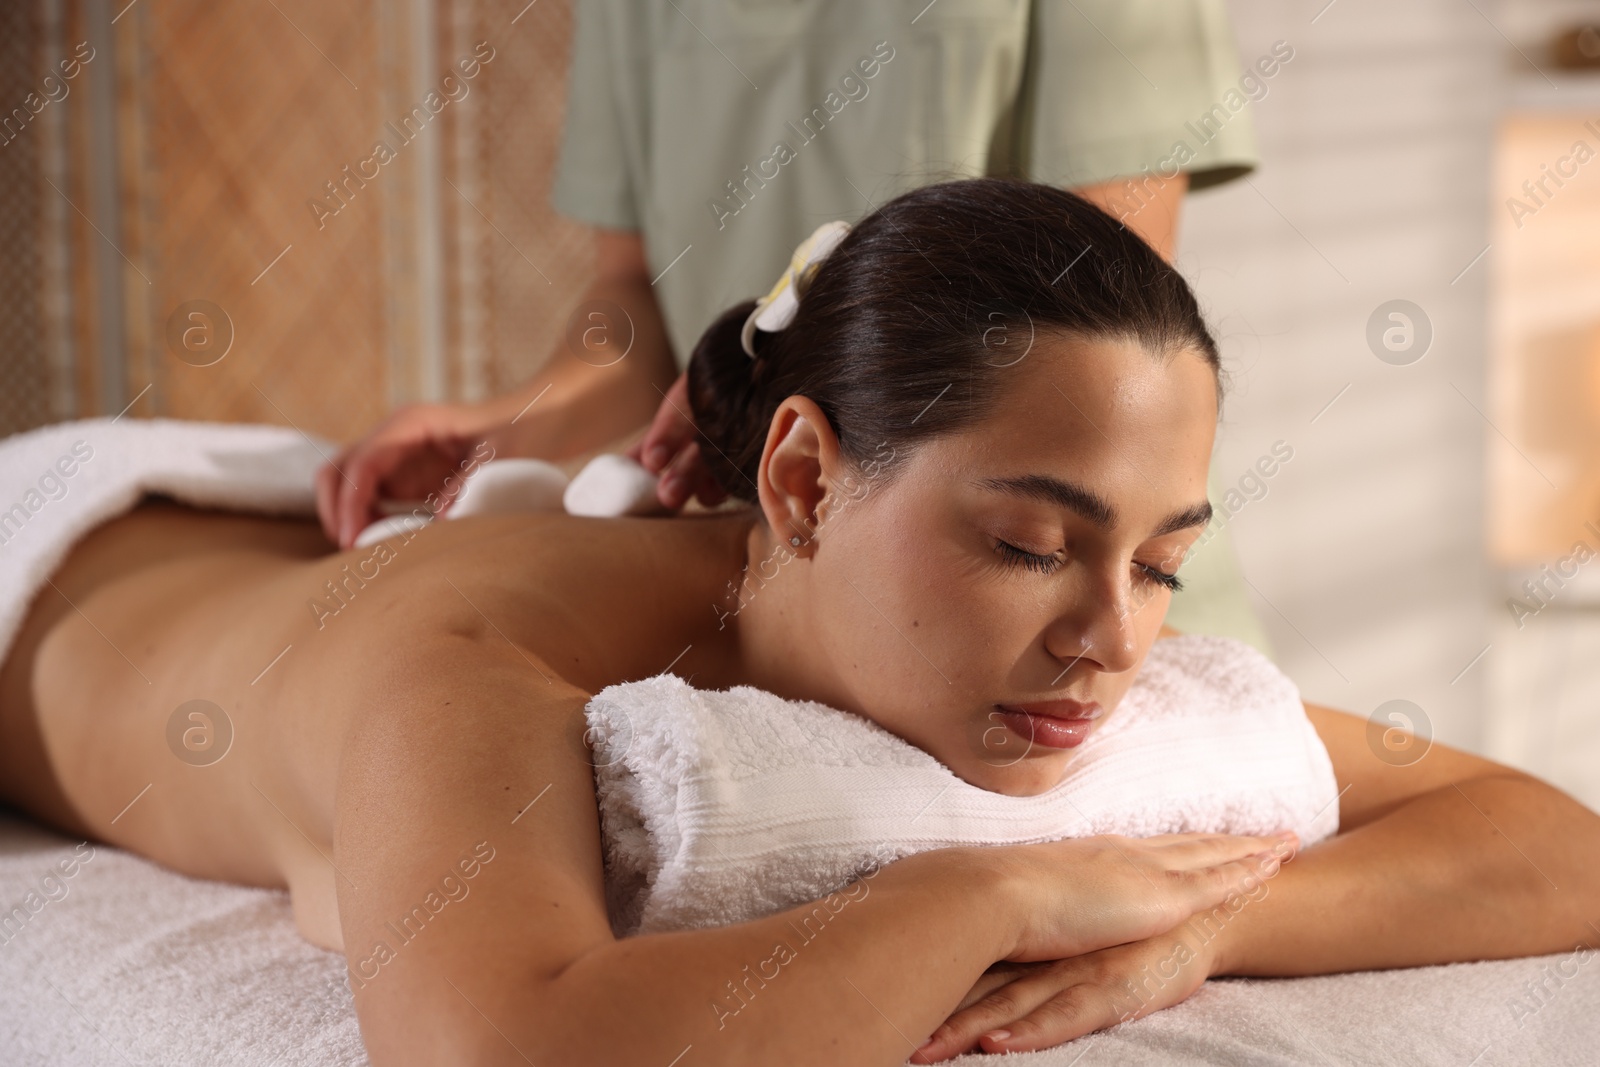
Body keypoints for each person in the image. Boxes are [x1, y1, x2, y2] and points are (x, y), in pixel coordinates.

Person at [5, 181, 1593, 1066]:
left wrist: (1202, 928)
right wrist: (999, 889)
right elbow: (505, 1050)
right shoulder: (474, 666)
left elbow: (1556, 840)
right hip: (60, 564)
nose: (1117, 639)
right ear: (807, 480)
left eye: (1164, 560)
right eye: (1031, 542)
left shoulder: (1041, 637)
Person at [315, 0, 1273, 653]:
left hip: (1061, 588)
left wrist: (782, 346)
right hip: (791, 598)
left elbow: (1095, 298)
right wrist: (511, 426)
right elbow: (633, 305)